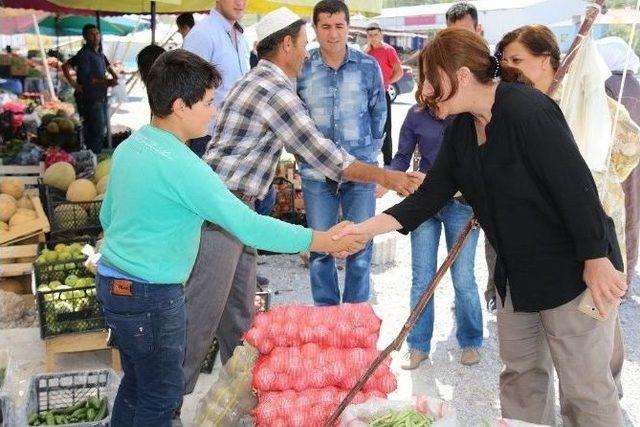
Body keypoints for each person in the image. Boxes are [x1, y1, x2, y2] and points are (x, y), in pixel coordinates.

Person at [334, 28, 627, 427]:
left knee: (585, 392)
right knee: (521, 379)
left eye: (431, 79)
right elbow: (428, 197)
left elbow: (576, 187)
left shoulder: (527, 111)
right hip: (516, 278)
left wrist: (596, 258)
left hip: (572, 270)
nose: (424, 90)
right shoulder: (461, 128)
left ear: (462, 75)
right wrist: (363, 230)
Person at [97, 49, 367, 426]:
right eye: (208, 103)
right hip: (152, 296)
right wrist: (321, 240)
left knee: (138, 383)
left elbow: (106, 216)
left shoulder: (130, 147)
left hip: (112, 285)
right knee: (162, 394)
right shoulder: (186, 167)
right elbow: (248, 225)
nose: (214, 112)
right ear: (179, 106)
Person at [182, 7, 422, 396]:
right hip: (223, 212)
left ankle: (240, 399)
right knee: (202, 317)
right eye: (305, 42)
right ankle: (166, 408)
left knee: (239, 315)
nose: (307, 52)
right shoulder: (273, 89)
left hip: (234, 210)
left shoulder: (257, 81)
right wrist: (387, 176)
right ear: (287, 44)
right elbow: (323, 155)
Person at [496, 24, 639, 402]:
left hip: (592, 229)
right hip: (535, 242)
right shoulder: (506, 109)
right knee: (542, 335)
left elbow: (628, 148)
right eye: (504, 61)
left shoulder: (593, 102)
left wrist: (589, 184)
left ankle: (605, 390)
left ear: (547, 61)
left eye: (517, 60)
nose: (509, 68)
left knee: (594, 320)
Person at [296, 0, 387, 306]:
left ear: (348, 27)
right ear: (315, 29)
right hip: (315, 174)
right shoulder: (302, 67)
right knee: (320, 248)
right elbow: (293, 118)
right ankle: (326, 316)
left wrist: (371, 158)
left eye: (339, 26)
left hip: (360, 172)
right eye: (325, 27)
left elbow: (379, 113)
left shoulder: (367, 66)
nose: (333, 34)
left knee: (360, 248)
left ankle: (355, 315)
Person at [383, 100, 482, 369]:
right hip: (425, 203)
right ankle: (418, 345)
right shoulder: (416, 115)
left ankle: (471, 340)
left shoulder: (468, 114)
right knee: (422, 277)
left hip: (461, 205)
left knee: (463, 277)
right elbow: (403, 156)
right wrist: (388, 179)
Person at [445, 2, 496, 313]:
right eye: (452, 36)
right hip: (466, 184)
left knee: (501, 243)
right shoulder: (446, 72)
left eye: (464, 34)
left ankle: (499, 293)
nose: (458, 44)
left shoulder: (500, 72)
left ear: (479, 31)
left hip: (500, 180)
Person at [597, 36, 640, 289]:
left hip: (613, 164)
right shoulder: (634, 83)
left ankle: (616, 279)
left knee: (614, 220)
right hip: (635, 163)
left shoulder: (609, 85)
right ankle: (627, 277)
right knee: (632, 219)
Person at [183, 0, 250, 157]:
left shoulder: (241, 36)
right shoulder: (202, 34)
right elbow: (188, 91)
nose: (240, 2)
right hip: (208, 138)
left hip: (237, 137)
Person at [62, 24, 118, 154]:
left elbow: (108, 67)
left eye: (97, 34)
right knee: (95, 130)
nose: (95, 37)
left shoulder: (99, 54)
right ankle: (93, 157)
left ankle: (94, 155)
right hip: (90, 98)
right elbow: (88, 79)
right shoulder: (84, 54)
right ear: (85, 37)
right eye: (91, 34)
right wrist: (73, 83)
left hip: (100, 96)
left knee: (100, 128)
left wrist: (114, 77)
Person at [364, 22, 402, 166]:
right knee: (367, 128)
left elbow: (399, 72)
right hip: (367, 96)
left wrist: (386, 82)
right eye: (370, 35)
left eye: (376, 34)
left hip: (383, 95)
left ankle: (388, 163)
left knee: (386, 128)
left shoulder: (389, 50)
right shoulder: (366, 52)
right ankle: (368, 161)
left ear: (381, 34)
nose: (373, 38)